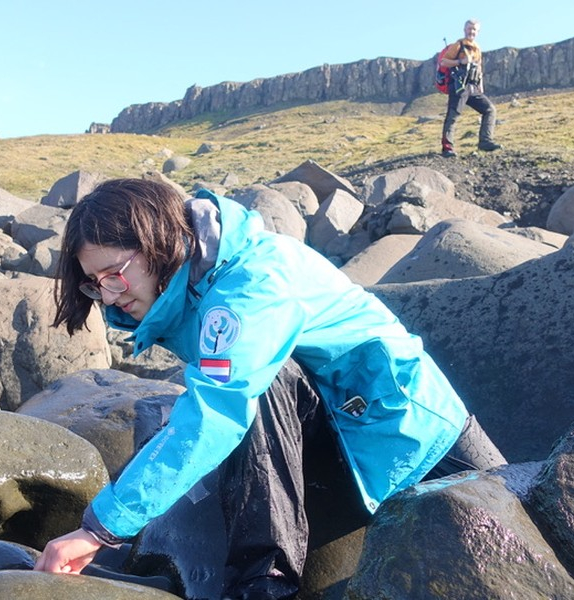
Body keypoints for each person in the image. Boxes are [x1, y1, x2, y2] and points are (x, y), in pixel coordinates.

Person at [35, 178, 505, 599]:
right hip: (343, 439)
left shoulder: (252, 283)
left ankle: (264, 586)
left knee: (523, 537)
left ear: (161, 241)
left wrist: (101, 530)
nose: (111, 296)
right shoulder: (192, 283)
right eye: (96, 285)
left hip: (418, 435)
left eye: (115, 275)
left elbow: (218, 412)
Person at [438, 18, 501, 158]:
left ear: (478, 32)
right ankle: (447, 147)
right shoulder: (458, 45)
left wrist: (480, 87)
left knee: (490, 109)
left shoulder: (477, 48)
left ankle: (485, 142)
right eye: (469, 29)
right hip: (459, 85)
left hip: (473, 87)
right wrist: (460, 61)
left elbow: (478, 69)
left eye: (474, 29)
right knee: (453, 115)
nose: (471, 31)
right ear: (464, 30)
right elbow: (443, 62)